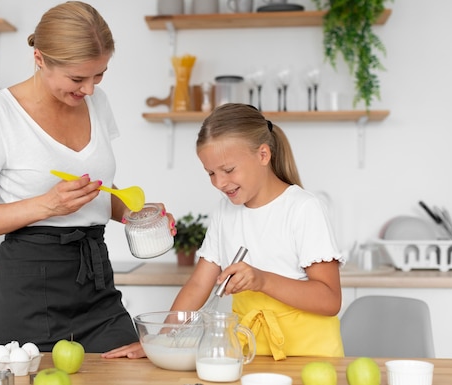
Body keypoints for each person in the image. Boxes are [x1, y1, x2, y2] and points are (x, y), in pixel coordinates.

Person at [0, 1, 174, 353]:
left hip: (96, 283)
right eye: (77, 78)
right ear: (39, 59)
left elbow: (96, 191)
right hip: (27, 288)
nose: (89, 89)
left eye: (99, 75)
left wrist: (136, 213)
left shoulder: (97, 103)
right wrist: (47, 205)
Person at [103, 103, 344, 360]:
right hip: (250, 355)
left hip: (311, 358)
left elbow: (329, 300)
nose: (219, 183)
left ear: (263, 155)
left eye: (228, 170)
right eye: (211, 173)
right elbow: (198, 285)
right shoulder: (225, 212)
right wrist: (162, 339)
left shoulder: (303, 208)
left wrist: (262, 280)